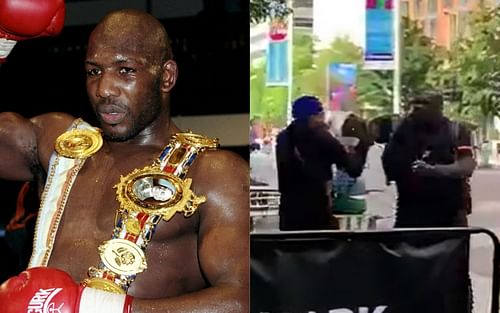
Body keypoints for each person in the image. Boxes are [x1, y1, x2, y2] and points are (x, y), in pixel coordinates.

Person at [0, 4, 248, 313]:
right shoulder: (58, 144)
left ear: (166, 77)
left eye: (125, 70)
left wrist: (94, 306)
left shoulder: (212, 172)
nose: (104, 89)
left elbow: (241, 299)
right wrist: (2, 40)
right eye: (94, 71)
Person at [382, 92, 475, 227]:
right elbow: (390, 167)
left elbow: (467, 166)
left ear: (438, 107)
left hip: (449, 213)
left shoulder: (454, 131)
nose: (418, 107)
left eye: (425, 103)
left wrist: (433, 170)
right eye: (415, 103)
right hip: (409, 211)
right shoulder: (403, 131)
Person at [275, 96, 369, 230]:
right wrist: (353, 150)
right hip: (316, 208)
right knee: (319, 247)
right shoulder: (321, 137)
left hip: (289, 209)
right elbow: (353, 169)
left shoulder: (284, 137)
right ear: (316, 116)